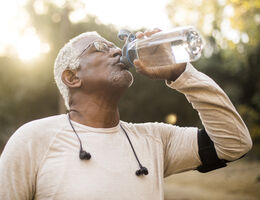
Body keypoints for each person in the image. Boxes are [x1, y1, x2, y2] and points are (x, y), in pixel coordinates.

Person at [0, 28, 252, 200]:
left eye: (115, 46)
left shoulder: (154, 139)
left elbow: (234, 143)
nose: (117, 51)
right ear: (72, 76)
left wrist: (181, 73)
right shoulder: (34, 138)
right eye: (99, 47)